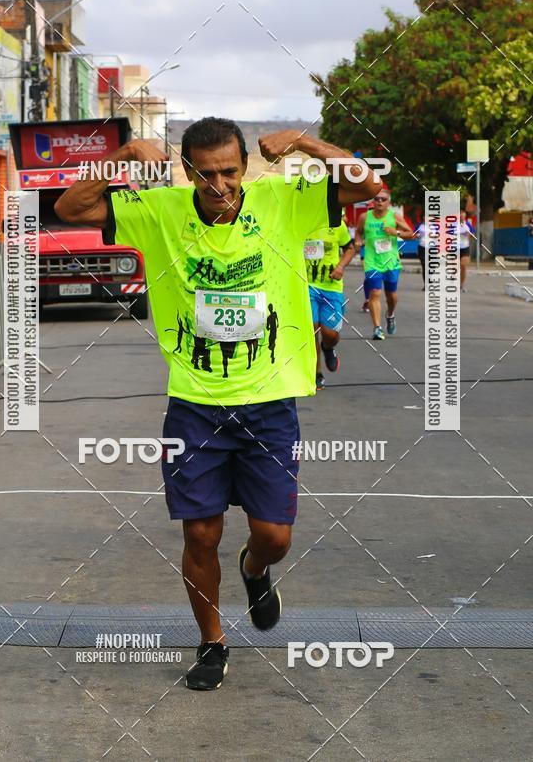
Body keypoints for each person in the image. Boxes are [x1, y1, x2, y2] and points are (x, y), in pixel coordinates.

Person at [55, 118, 378, 690]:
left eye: (231, 171)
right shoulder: (161, 211)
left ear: (245, 167)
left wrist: (304, 142)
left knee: (275, 537)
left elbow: (368, 185)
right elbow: (70, 210)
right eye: (208, 175)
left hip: (270, 402)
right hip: (195, 405)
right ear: (187, 171)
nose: (221, 184)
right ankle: (211, 643)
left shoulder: (284, 200)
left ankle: (254, 572)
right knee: (200, 534)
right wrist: (123, 153)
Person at [355, 187, 412, 340]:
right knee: (375, 292)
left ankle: (390, 314)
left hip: (391, 261)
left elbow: (412, 234)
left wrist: (396, 233)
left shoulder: (395, 217)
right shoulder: (364, 217)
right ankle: (377, 328)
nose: (379, 202)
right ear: (373, 201)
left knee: (391, 296)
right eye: (377, 199)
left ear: (389, 202)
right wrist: (358, 241)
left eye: (383, 199)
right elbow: (359, 231)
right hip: (372, 261)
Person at [304, 220, 355, 388]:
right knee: (312, 329)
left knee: (330, 333)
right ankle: (316, 373)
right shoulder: (302, 221)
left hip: (331, 287)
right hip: (307, 285)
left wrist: (340, 267)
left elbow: (350, 248)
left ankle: (328, 347)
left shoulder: (337, 225)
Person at [459, 209, 475, 291]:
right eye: (460, 214)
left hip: (465, 247)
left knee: (463, 266)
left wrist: (469, 234)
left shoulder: (468, 224)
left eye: (463, 214)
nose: (461, 215)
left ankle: (462, 285)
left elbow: (472, 234)